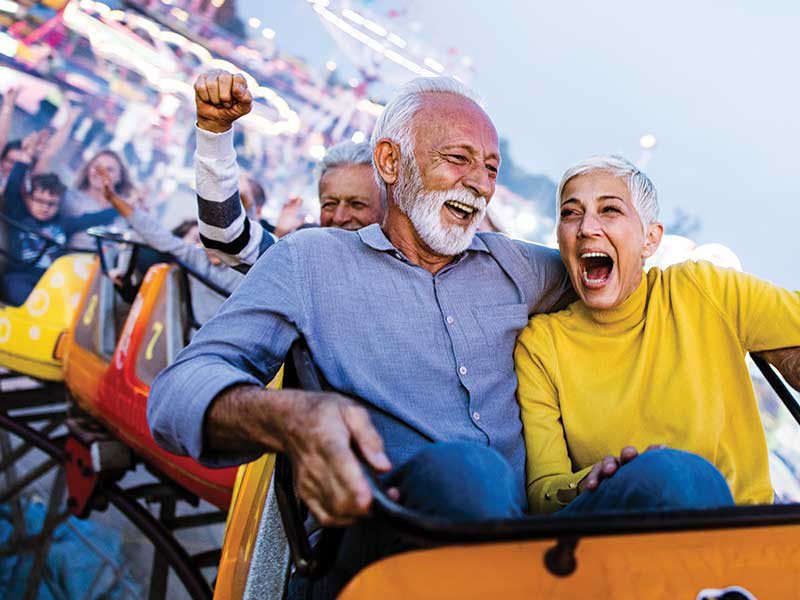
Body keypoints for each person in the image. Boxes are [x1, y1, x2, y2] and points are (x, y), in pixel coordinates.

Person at [149, 75, 574, 598]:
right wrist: (287, 417)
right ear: (391, 162)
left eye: (490, 168)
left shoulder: (516, 265)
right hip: (378, 547)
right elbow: (176, 393)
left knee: (663, 477)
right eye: (458, 159)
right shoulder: (310, 261)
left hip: (531, 548)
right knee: (469, 471)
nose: (481, 184)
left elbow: (619, 281)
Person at [514, 155, 800, 516]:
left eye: (609, 210)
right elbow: (544, 493)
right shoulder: (541, 345)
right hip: (619, 536)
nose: (586, 227)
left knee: (671, 474)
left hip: (739, 535)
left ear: (650, 240)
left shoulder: (704, 290)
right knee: (663, 474)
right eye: (571, 213)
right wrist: (598, 480)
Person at [191, 69, 385, 268]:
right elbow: (225, 238)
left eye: (357, 204)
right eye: (329, 204)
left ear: (386, 212)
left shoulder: (397, 278)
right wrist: (214, 130)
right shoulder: (303, 265)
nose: (339, 217)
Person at [98, 168, 242, 323]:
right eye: (207, 237)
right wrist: (113, 198)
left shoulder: (245, 269)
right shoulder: (196, 258)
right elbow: (153, 231)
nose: (211, 244)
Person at [0, 140, 117, 305]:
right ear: (29, 199)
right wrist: (25, 159)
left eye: (51, 204)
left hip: (54, 280)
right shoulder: (19, 215)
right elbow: (12, 188)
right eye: (40, 201)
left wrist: (122, 208)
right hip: (21, 276)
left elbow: (93, 219)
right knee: (20, 292)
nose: (45, 207)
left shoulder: (62, 225)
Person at [61, 149, 133, 248]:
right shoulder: (70, 198)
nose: (101, 173)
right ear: (88, 170)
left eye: (109, 169)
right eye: (97, 167)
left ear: (119, 177)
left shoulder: (129, 208)